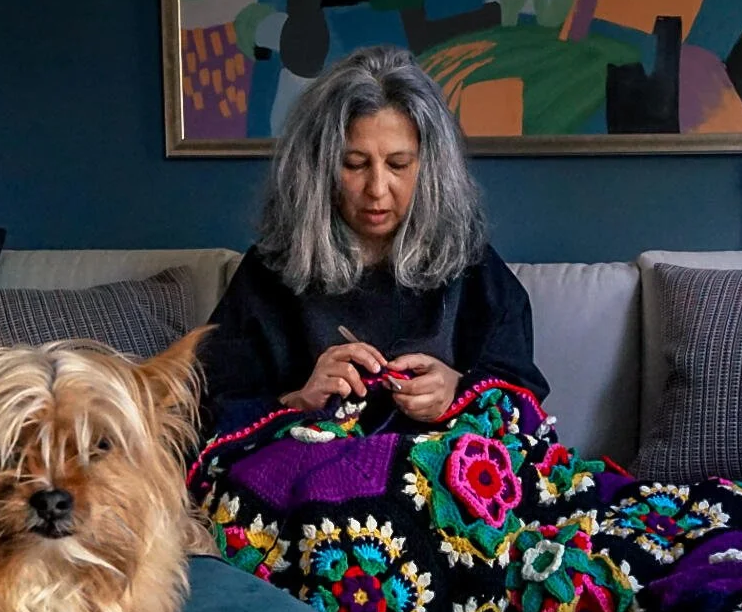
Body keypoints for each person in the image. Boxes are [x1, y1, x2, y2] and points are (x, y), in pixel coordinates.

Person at [201, 46, 548, 432]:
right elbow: (209, 407)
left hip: (443, 466)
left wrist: (459, 390)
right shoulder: (268, 273)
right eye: (355, 164)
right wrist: (298, 401)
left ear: (430, 168)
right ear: (319, 169)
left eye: (398, 164)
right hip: (306, 465)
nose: (377, 189)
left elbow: (523, 399)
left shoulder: (473, 267)